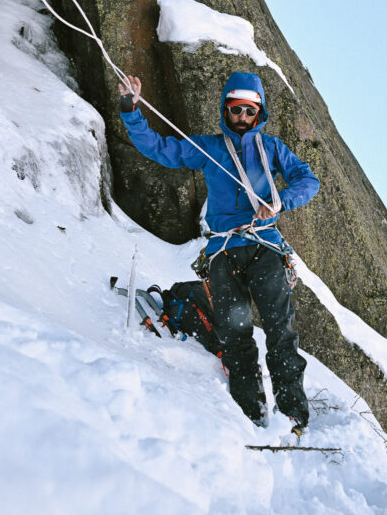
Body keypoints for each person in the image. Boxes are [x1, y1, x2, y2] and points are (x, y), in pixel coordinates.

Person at [118, 71, 320, 433]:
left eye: (249, 111)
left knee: (280, 331)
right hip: (224, 252)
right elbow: (161, 149)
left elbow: (308, 180)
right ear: (225, 110)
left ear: (259, 113)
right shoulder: (208, 148)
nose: (242, 118)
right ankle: (253, 416)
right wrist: (131, 110)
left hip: (263, 246)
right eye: (235, 110)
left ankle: (294, 417)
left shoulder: (272, 148)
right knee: (236, 336)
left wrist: (280, 201)